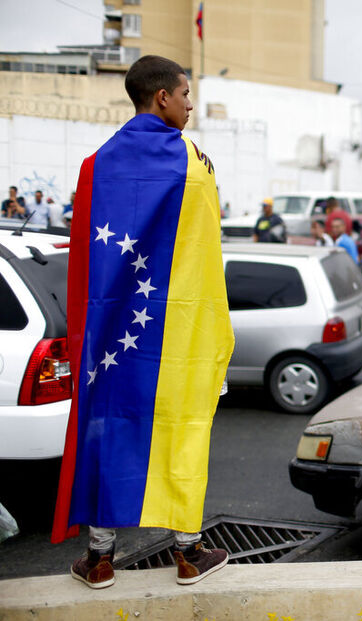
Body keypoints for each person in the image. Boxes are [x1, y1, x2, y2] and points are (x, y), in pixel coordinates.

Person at [53, 55, 234, 589]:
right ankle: (188, 553)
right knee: (183, 432)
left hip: (113, 334)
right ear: (162, 98)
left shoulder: (95, 164)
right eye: (184, 95)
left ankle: (101, 559)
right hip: (179, 332)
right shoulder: (193, 161)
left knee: (109, 432)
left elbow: (89, 252)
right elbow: (203, 251)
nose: (190, 104)